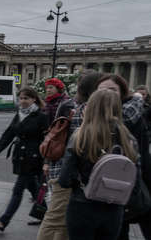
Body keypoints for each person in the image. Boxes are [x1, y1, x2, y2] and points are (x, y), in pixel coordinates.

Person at [58, 89, 139, 240]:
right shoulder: (129, 139)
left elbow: (64, 180)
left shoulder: (80, 135)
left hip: (82, 205)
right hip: (113, 208)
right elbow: (136, 183)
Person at [37, 71, 103, 240]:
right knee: (55, 219)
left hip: (75, 174)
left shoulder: (90, 111)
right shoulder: (74, 108)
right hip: (65, 172)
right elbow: (54, 135)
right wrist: (47, 162)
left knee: (64, 221)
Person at [96, 75, 151, 240]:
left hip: (138, 182)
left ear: (122, 93)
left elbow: (142, 155)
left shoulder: (132, 118)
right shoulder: (91, 119)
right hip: (110, 187)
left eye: (112, 90)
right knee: (119, 231)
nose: (107, 94)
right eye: (102, 90)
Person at [0, 87, 48, 232]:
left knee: (18, 189)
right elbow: (8, 135)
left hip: (33, 158)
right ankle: (46, 214)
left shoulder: (41, 116)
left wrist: (46, 162)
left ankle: (3, 221)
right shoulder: (19, 114)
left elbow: (47, 141)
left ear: (34, 99)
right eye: (21, 98)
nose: (23, 101)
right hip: (20, 157)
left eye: (26, 98)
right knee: (33, 187)